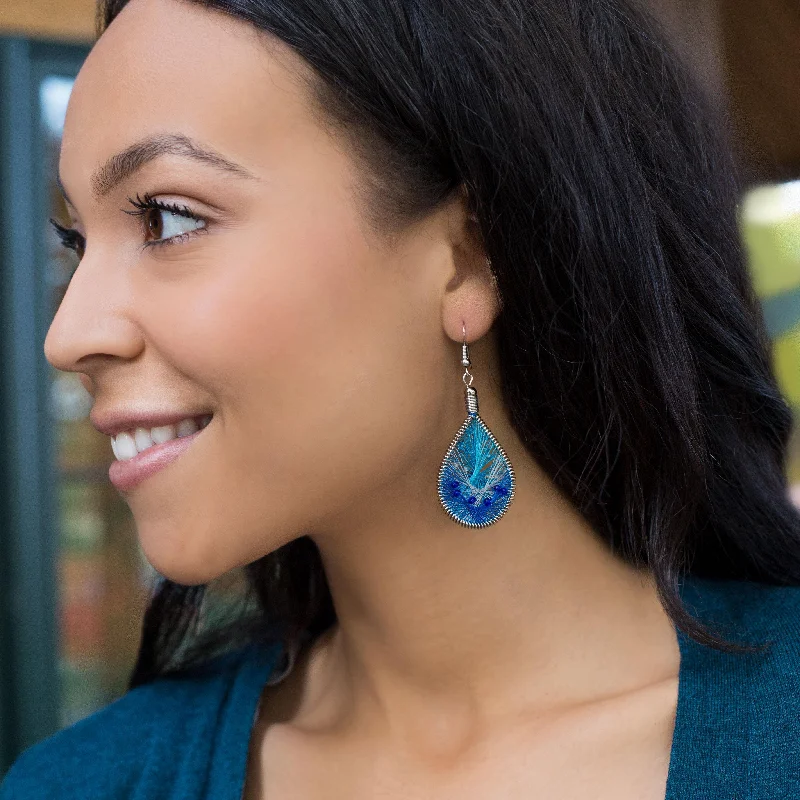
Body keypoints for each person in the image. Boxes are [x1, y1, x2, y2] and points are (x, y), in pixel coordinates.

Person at [3, 0, 800, 796]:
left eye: (167, 217)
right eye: (76, 242)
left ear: (467, 258)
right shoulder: (78, 785)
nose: (68, 334)